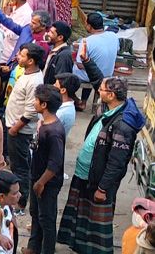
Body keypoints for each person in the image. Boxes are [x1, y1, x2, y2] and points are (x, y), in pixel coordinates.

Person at [58, 76, 143, 254]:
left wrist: (103, 188)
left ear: (111, 95)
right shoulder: (108, 108)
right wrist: (87, 60)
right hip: (86, 175)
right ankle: (80, 247)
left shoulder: (122, 125)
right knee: (82, 217)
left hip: (98, 182)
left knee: (94, 224)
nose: (98, 91)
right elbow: (97, 78)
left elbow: (116, 163)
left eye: (102, 90)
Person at [4, 42, 46, 214]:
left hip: (20, 132)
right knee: (20, 165)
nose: (17, 57)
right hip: (15, 127)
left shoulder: (35, 81)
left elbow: (31, 111)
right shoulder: (26, 74)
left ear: (31, 61)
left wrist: (15, 128)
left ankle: (20, 203)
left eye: (22, 55)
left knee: (20, 167)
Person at [28, 84, 65, 254]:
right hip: (36, 176)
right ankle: (33, 247)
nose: (33, 102)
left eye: (36, 100)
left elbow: (55, 163)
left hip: (47, 182)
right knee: (35, 213)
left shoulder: (54, 131)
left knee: (47, 219)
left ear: (44, 105)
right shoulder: (44, 124)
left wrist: (41, 182)